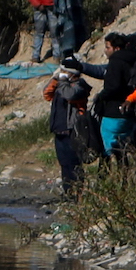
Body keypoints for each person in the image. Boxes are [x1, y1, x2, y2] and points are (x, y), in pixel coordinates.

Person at [73, 32, 136, 159]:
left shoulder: (116, 62)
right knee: (124, 148)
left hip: (113, 113)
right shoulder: (133, 61)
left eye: (108, 47)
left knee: (109, 150)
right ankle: (125, 173)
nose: (105, 50)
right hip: (129, 113)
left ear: (117, 49)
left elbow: (113, 86)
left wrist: (102, 96)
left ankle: (110, 174)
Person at [44, 63, 91, 194]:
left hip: (73, 131)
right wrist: (54, 80)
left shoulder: (80, 86)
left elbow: (69, 95)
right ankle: (68, 192)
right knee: (64, 164)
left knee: (74, 164)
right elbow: (47, 94)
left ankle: (78, 192)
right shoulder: (61, 85)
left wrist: (63, 81)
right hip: (59, 130)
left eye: (64, 71)